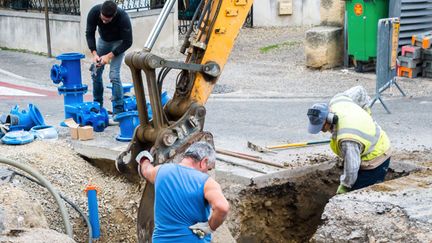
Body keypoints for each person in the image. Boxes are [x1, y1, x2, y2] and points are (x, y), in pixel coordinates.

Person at [136, 141, 230, 242]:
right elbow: (222, 207)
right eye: (208, 168)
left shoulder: (160, 171)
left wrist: (144, 159)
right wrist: (210, 227)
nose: (207, 172)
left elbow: (146, 170)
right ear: (204, 162)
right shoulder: (207, 183)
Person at [306, 86, 391, 194]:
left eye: (322, 126)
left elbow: (352, 169)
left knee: (359, 195)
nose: (321, 130)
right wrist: (365, 110)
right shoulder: (338, 100)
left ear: (330, 118)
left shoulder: (347, 138)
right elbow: (359, 90)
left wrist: (345, 187)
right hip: (367, 145)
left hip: (377, 156)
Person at [85, 0, 133, 115]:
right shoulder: (94, 12)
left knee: (114, 75)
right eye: (102, 19)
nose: (104, 21)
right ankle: (97, 106)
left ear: (114, 15)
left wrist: (109, 56)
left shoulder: (123, 17)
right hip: (103, 41)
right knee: (95, 71)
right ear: (100, 12)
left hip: (119, 43)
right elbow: (89, 33)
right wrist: (94, 53)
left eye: (107, 20)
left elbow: (128, 42)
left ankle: (118, 111)